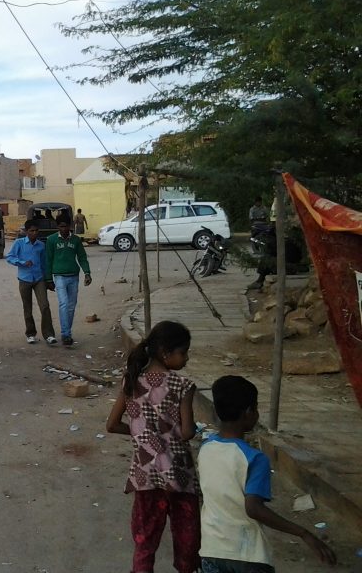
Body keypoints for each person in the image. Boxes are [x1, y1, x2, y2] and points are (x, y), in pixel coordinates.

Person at [198, 376, 336, 572]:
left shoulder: (206, 449)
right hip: (246, 554)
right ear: (248, 412)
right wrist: (303, 533)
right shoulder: (254, 458)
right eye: (255, 408)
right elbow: (253, 508)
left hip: (211, 550)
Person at [106, 320, 200, 573]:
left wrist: (141, 433)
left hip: (145, 473)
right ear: (165, 353)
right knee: (187, 542)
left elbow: (112, 425)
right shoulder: (182, 386)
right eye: (183, 352)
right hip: (178, 474)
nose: (186, 358)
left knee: (144, 543)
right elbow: (188, 432)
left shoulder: (132, 381)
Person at [5, 220, 57, 345]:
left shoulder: (41, 245)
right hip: (24, 279)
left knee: (44, 306)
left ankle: (49, 334)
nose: (34, 233)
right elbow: (10, 257)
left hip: (39, 279)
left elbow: (45, 264)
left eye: (36, 231)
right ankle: (30, 333)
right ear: (26, 231)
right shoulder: (19, 243)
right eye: (31, 231)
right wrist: (23, 262)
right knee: (27, 308)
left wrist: (48, 280)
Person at [44, 217, 91, 346]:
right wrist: (48, 279)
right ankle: (66, 334)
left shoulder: (75, 240)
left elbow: (82, 257)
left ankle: (67, 331)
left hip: (74, 276)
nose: (63, 229)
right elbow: (48, 259)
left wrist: (87, 273)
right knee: (63, 304)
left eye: (65, 226)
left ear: (70, 226)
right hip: (59, 277)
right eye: (61, 227)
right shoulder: (51, 240)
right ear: (57, 227)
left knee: (71, 306)